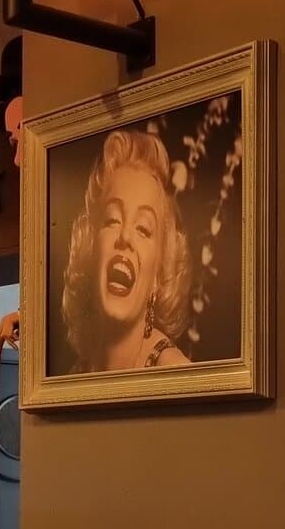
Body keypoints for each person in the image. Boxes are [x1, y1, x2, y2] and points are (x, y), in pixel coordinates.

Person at [61, 128, 192, 372]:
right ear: (91, 249)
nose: (125, 237)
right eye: (112, 219)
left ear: (158, 278)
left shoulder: (174, 371)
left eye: (143, 228)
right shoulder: (78, 372)